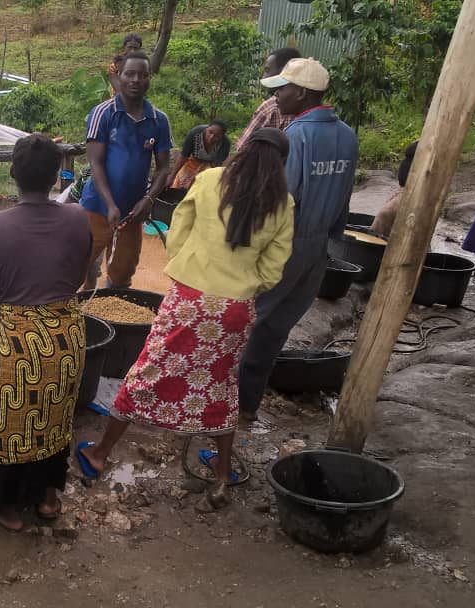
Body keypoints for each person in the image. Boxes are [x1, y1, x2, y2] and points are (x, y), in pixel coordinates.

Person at [77, 128, 295, 512]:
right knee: (220, 383)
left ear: (241, 152)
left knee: (148, 372)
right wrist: (241, 285)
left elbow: (179, 228)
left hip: (189, 300)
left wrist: (185, 267)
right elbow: (274, 268)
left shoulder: (210, 180)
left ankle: (100, 453)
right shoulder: (283, 203)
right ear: (281, 165)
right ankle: (222, 473)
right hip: (235, 309)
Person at [0, 134, 94, 531]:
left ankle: (0, 504)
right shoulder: (79, 217)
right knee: (54, 415)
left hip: (16, 340)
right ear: (56, 177)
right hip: (67, 335)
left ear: (12, 173)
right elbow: (82, 271)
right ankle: (48, 498)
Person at [237, 58, 358, 422]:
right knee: (275, 330)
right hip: (317, 249)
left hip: (286, 245)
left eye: (283, 88)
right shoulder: (347, 136)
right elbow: (345, 196)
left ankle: (221, 406)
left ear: (302, 93)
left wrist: (255, 249)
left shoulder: (298, 136)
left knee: (248, 321)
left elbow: (280, 202)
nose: (277, 95)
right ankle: (247, 406)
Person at [80, 51, 173, 290]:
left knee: (122, 273)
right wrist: (110, 204)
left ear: (150, 78)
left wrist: (148, 200)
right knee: (81, 262)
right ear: (118, 76)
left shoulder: (159, 120)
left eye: (143, 75)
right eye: (129, 74)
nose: (135, 80)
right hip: (98, 206)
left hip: (134, 212)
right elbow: (96, 163)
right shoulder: (103, 113)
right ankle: (81, 304)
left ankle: (111, 313)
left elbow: (164, 169)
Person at [234, 48, 302, 151]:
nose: (264, 76)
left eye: (267, 70)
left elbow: (243, 149)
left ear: (283, 71)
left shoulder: (269, 108)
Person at [370, 141, 418, 237]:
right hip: (404, 188)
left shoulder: (428, 149)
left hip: (413, 190)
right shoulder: (415, 152)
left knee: (385, 214)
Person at [170, 120, 230, 190]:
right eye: (210, 132)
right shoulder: (195, 133)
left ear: (221, 137)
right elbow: (184, 156)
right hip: (193, 161)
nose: (211, 137)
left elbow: (216, 166)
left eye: (216, 136)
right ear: (207, 128)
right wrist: (171, 176)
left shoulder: (225, 143)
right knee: (180, 182)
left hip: (209, 165)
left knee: (203, 186)